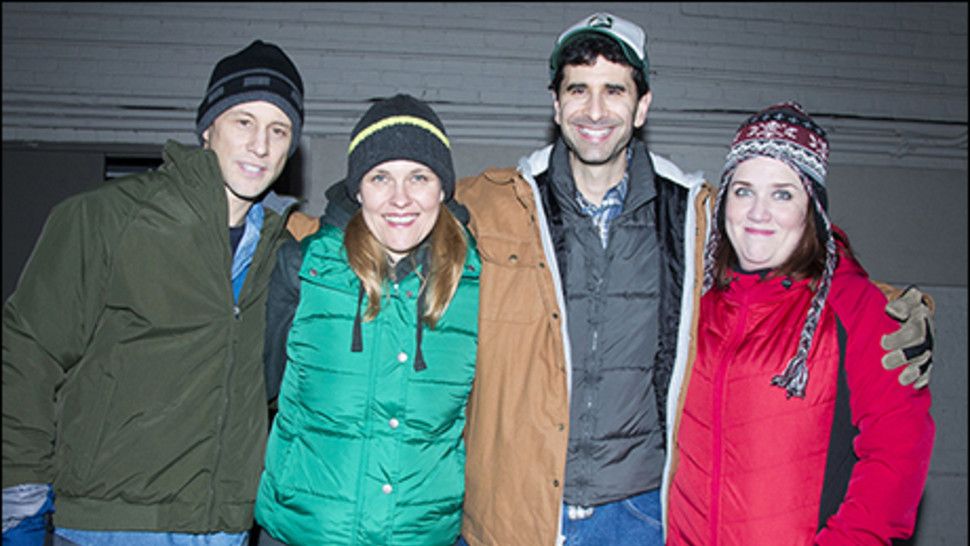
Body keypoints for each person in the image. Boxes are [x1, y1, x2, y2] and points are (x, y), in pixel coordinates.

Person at [278, 12, 935, 545]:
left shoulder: (695, 213)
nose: (595, 109)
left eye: (615, 89)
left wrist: (882, 304)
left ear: (642, 105)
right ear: (556, 104)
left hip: (640, 515)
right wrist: (288, 239)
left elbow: (786, 242)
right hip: (517, 512)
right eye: (578, 89)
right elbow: (394, 214)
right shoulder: (497, 203)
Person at [2, 39, 304, 546]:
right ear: (208, 128)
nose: (261, 145)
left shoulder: (279, 253)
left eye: (280, 130)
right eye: (243, 121)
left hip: (224, 528)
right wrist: (19, 503)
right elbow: (28, 353)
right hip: (112, 525)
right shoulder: (106, 218)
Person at [664, 102, 935, 544]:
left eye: (782, 194)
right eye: (744, 191)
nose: (758, 213)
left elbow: (897, 455)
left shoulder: (857, 308)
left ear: (812, 209)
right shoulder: (695, 304)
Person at [254, 94, 479, 546]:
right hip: (302, 534)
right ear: (358, 190)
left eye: (419, 177)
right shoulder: (304, 268)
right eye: (381, 177)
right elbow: (254, 392)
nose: (401, 198)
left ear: (442, 189)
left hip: (424, 537)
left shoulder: (476, 284)